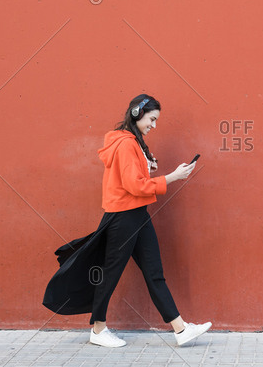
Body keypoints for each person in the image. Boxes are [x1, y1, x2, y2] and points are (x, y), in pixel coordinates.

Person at [42, 94, 211, 347]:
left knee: (154, 272)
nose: (153, 125)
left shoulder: (133, 142)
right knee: (110, 274)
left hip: (137, 214)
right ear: (136, 113)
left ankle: (180, 329)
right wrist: (172, 177)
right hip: (124, 217)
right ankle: (98, 331)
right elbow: (134, 186)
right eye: (151, 119)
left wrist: (148, 167)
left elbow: (132, 179)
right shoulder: (125, 144)